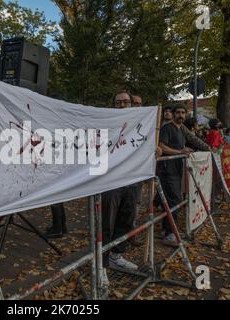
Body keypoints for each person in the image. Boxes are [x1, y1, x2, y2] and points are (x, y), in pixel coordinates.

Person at [101, 90, 139, 282]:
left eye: (126, 102)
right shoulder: (106, 123)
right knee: (106, 222)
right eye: (118, 103)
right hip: (110, 182)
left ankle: (116, 256)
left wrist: (155, 149)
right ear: (113, 105)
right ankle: (101, 264)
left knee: (126, 219)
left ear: (132, 104)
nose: (123, 105)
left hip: (131, 181)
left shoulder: (141, 124)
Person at [158, 104, 196, 245]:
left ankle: (166, 229)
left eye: (183, 113)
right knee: (174, 200)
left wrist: (184, 148)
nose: (180, 115)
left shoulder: (181, 130)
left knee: (169, 200)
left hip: (177, 170)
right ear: (173, 114)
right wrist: (180, 152)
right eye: (178, 112)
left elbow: (176, 146)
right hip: (168, 170)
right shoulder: (167, 128)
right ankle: (169, 235)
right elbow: (162, 146)